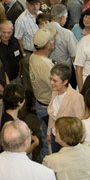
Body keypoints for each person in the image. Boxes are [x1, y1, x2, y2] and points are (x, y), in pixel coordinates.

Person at [29, 28, 55, 158]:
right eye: (52, 39)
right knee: (48, 140)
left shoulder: (33, 57)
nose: (54, 40)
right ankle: (45, 163)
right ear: (48, 45)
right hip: (47, 107)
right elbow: (56, 88)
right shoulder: (45, 66)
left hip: (40, 103)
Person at [46, 64, 85, 152]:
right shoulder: (55, 91)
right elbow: (52, 116)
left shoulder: (76, 97)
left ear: (65, 81)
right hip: (54, 136)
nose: (51, 83)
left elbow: (80, 123)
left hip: (68, 142)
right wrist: (49, 133)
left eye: (55, 81)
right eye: (51, 79)